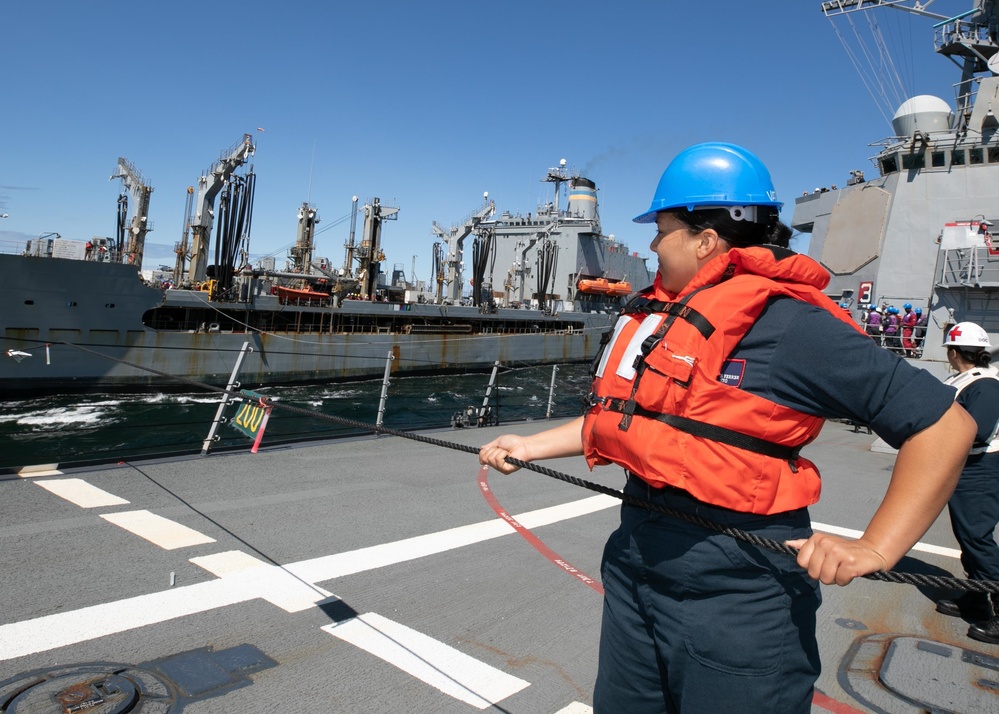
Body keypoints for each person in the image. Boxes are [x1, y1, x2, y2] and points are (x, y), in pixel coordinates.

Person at [478, 142, 975, 714]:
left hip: (741, 587)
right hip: (639, 562)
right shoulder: (666, 318)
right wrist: (529, 444)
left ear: (705, 239)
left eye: (661, 230)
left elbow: (945, 423)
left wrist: (876, 546)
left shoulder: (790, 325)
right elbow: (631, 421)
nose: (651, 244)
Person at [934, 322, 999, 643]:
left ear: (954, 351)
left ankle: (997, 610)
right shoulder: (965, 380)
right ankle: (977, 597)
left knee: (978, 538)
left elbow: (979, 430)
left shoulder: (985, 384)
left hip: (980, 468)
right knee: (968, 537)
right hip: (966, 466)